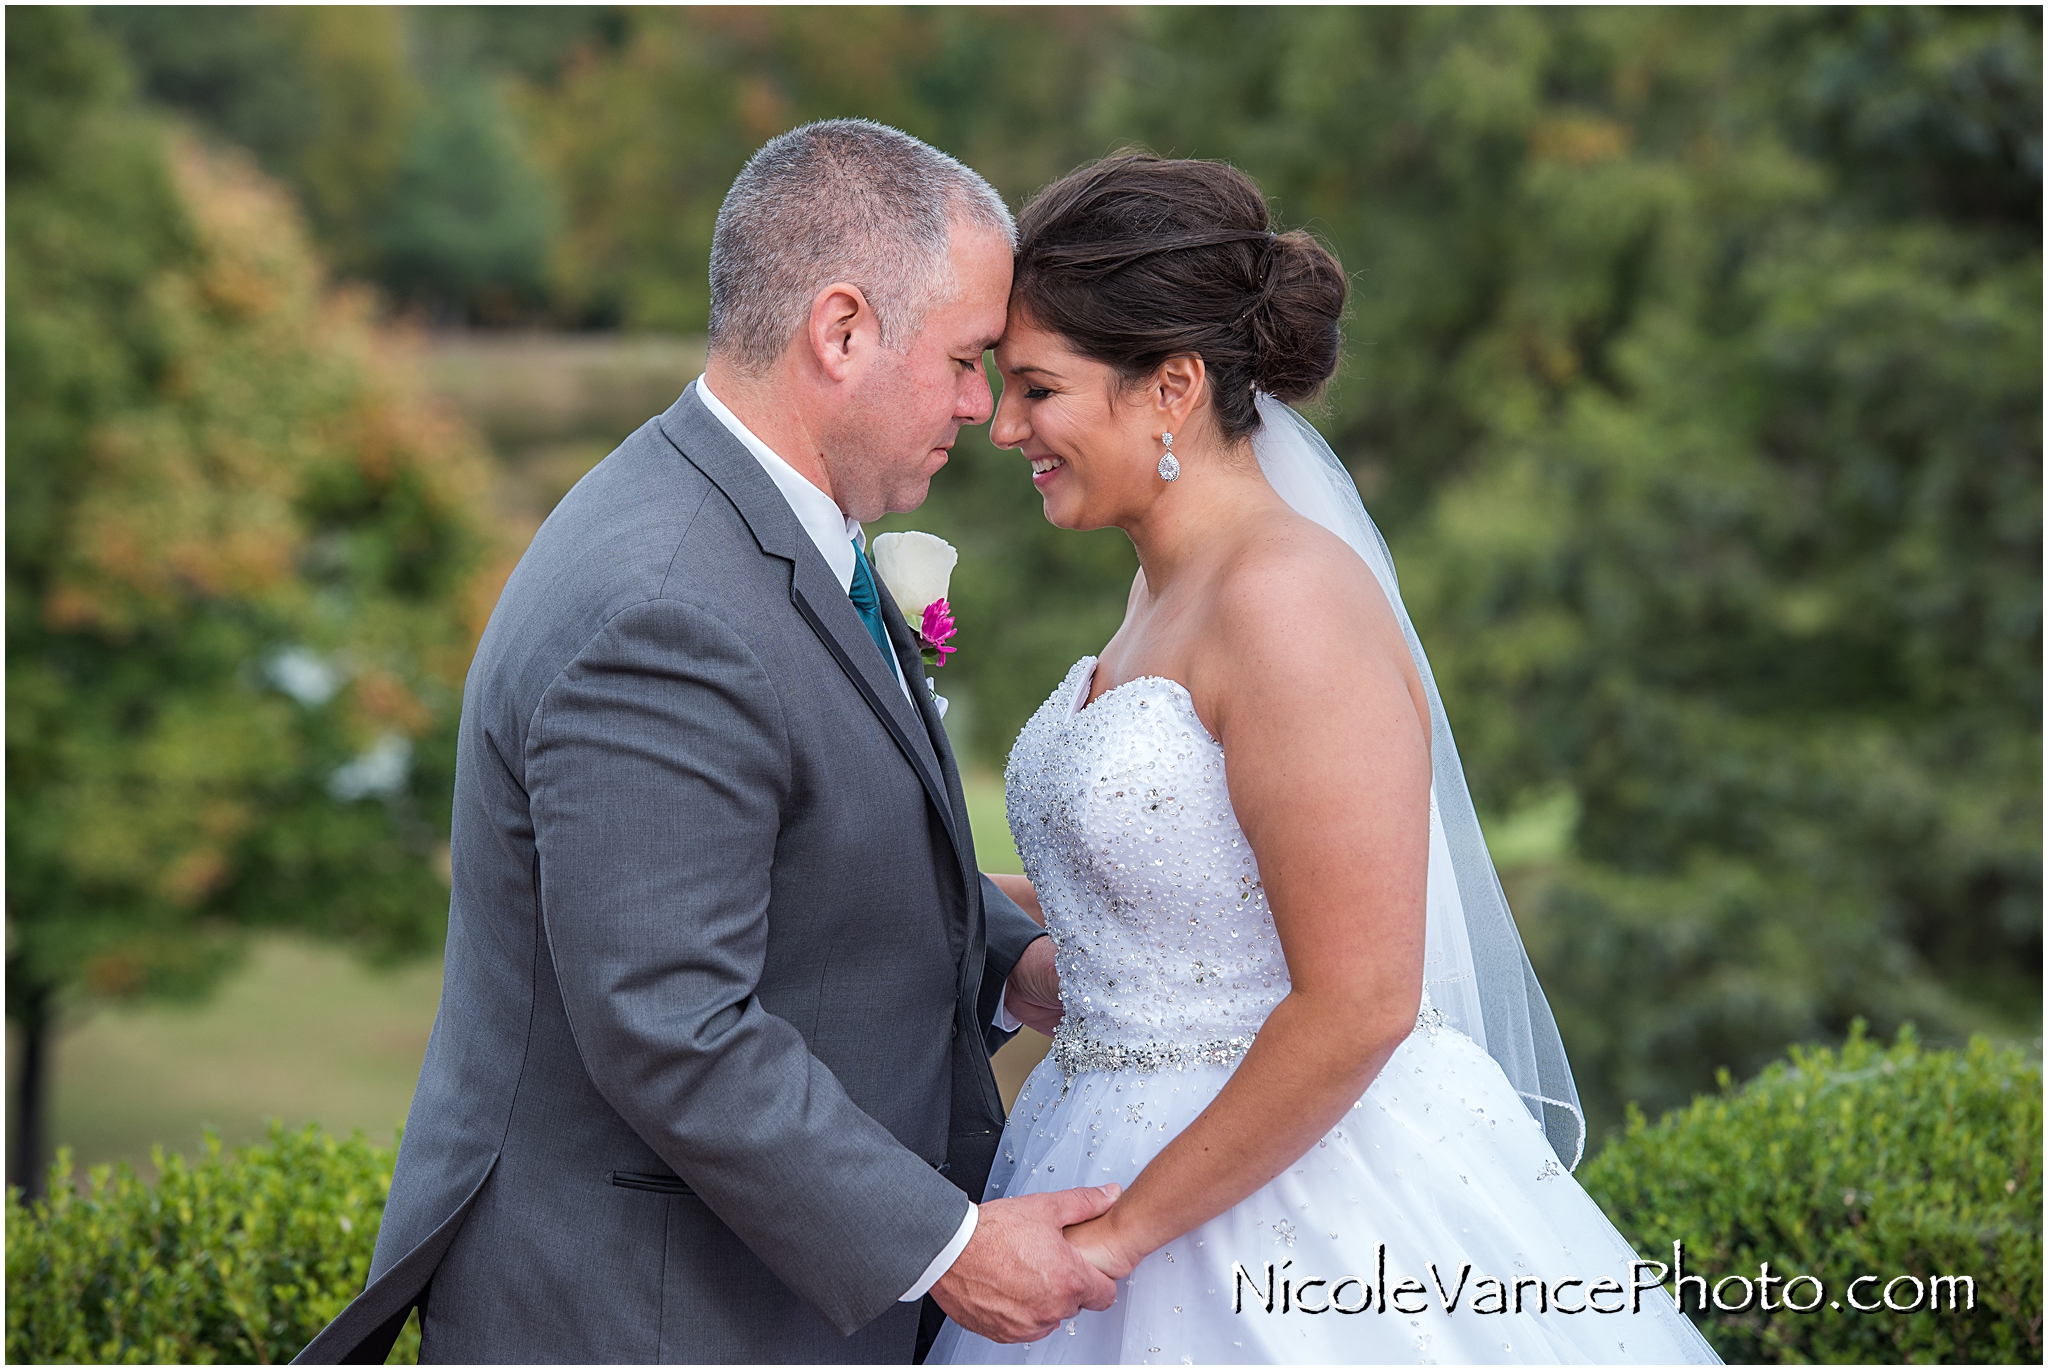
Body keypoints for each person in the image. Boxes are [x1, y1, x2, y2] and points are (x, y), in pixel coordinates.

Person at [295, 120, 1119, 1365]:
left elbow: (810, 848)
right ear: (840, 332)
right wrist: (946, 1248)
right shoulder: (665, 606)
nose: (979, 404)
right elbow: (670, 1019)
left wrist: (1010, 964)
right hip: (655, 1314)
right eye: (962, 359)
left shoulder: (766, 520)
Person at [929, 154, 1721, 1364]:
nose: (1003, 425)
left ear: (1171, 386)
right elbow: (1163, 902)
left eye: (1037, 388)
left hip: (1278, 1209)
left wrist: (1116, 1239)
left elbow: (1356, 999)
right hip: (1091, 1134)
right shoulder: (1160, 586)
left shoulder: (1288, 601)